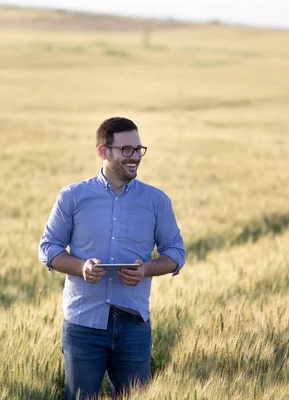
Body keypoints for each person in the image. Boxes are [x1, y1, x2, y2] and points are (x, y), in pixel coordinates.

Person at [38, 117, 186, 400]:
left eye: (138, 149)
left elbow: (176, 253)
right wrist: (81, 267)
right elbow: (48, 248)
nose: (135, 158)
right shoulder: (72, 197)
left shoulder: (156, 201)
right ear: (103, 152)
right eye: (126, 150)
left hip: (134, 324)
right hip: (83, 324)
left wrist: (146, 270)